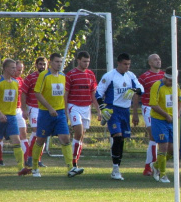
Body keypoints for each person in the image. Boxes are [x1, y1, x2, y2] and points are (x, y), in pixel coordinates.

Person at [96, 53, 144, 181]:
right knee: (117, 137)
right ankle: (115, 168)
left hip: (125, 111)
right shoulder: (109, 76)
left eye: (129, 64)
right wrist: (102, 108)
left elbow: (141, 88)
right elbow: (98, 93)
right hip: (113, 110)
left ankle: (116, 167)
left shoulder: (131, 76)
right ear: (119, 63)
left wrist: (134, 90)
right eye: (125, 64)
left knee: (121, 139)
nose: (127, 67)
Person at [30, 53, 74, 177]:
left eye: (61, 62)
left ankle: (70, 167)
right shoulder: (44, 75)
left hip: (59, 112)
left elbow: (64, 95)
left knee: (65, 138)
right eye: (56, 62)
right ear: (50, 63)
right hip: (45, 113)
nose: (59, 64)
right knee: (40, 140)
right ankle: (34, 167)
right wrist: (49, 108)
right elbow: (37, 93)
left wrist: (65, 112)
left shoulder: (63, 76)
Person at [64, 51, 100, 176]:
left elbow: (93, 95)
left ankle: (75, 162)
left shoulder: (90, 74)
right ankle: (73, 163)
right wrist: (65, 110)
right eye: (84, 61)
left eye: (88, 61)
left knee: (81, 136)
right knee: (78, 131)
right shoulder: (70, 75)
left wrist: (98, 110)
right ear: (78, 60)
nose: (86, 63)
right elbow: (66, 94)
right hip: (74, 106)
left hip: (86, 107)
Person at [150, 66, 181, 183]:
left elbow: (180, 101)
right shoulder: (157, 86)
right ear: (165, 77)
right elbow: (153, 104)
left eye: (173, 81)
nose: (171, 83)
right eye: (170, 80)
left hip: (171, 120)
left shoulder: (176, 86)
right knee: (163, 146)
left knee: (173, 150)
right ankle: (162, 174)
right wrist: (166, 115)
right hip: (159, 120)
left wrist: (178, 112)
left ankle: (156, 165)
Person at [138, 54, 164, 176]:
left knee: (156, 138)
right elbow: (136, 94)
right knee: (153, 135)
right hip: (148, 107)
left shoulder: (164, 76)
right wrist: (134, 113)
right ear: (150, 63)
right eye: (155, 59)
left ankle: (148, 167)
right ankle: (152, 165)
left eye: (159, 59)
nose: (158, 61)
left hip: (161, 109)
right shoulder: (144, 77)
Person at [21, 57, 48, 168]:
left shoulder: (49, 77)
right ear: (36, 65)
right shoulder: (31, 77)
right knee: (37, 131)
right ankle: (30, 157)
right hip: (34, 108)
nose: (42, 66)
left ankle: (38, 158)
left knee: (43, 134)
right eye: (40, 64)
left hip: (45, 109)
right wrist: (24, 109)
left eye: (44, 64)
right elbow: (23, 93)